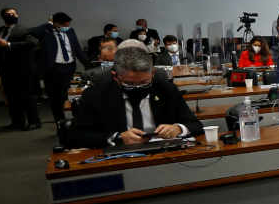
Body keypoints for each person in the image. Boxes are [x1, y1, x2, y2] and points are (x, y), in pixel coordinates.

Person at [69, 42, 203, 149]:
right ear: (115, 77)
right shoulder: (96, 94)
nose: (138, 87)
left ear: (153, 73)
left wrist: (178, 128)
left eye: (144, 82)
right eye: (130, 83)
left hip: (163, 152)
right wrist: (117, 137)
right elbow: (76, 136)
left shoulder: (165, 88)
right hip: (118, 156)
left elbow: (195, 125)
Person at [29, 12, 90, 124]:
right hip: (53, 68)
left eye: (68, 25)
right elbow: (31, 31)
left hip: (69, 67)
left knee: (64, 95)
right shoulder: (46, 32)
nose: (67, 27)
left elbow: (77, 49)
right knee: (54, 96)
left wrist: (88, 64)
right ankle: (59, 120)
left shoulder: (70, 31)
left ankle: (67, 118)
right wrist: (49, 24)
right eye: (65, 25)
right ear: (56, 23)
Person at [0, 6, 41, 130]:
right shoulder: (0, 30)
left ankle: (34, 122)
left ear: (17, 16)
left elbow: (33, 43)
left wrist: (9, 44)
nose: (12, 16)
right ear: (3, 16)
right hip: (6, 70)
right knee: (12, 98)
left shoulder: (23, 29)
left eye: (14, 14)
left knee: (27, 96)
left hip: (23, 69)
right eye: (8, 14)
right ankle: (17, 122)